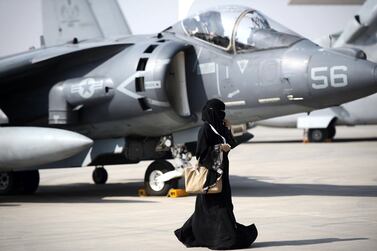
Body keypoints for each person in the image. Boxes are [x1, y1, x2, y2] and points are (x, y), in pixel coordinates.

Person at [174, 99, 258, 250]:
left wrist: (228, 129)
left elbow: (231, 143)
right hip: (211, 176)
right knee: (215, 207)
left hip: (222, 174)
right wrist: (219, 148)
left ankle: (202, 234)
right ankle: (224, 238)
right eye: (220, 112)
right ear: (213, 113)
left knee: (218, 205)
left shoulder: (219, 128)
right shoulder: (205, 129)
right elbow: (201, 153)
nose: (222, 115)